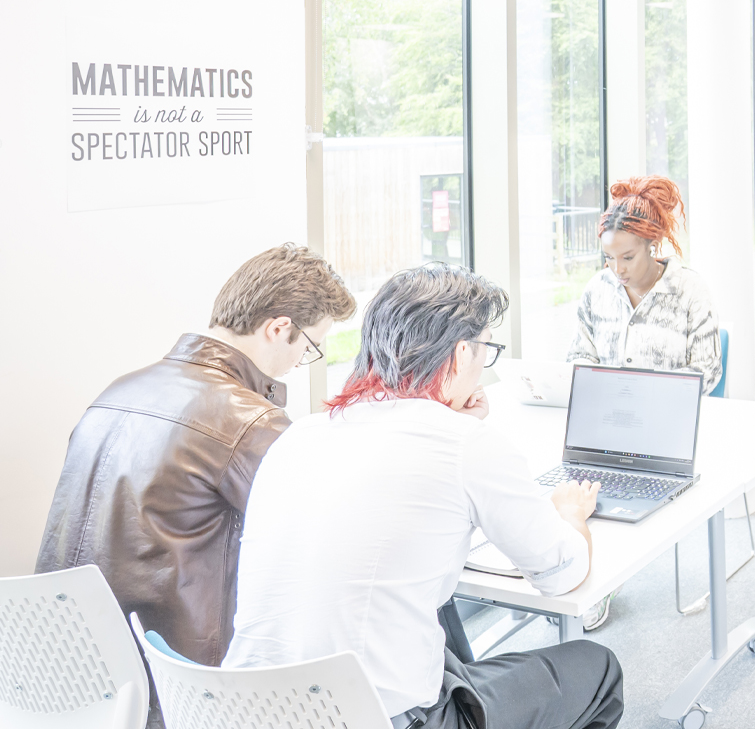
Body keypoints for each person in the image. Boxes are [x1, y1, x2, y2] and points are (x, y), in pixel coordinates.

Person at [224, 264, 621, 729]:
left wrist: (455, 427)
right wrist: (570, 515)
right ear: (461, 353)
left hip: (248, 713)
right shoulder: (464, 445)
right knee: (597, 667)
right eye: (486, 349)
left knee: (439, 639)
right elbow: (562, 575)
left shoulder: (298, 437)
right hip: (379, 720)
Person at [37, 242, 355, 727]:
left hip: (69, 670)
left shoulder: (118, 389)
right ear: (279, 328)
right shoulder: (250, 422)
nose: (301, 361)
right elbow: (322, 541)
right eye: (310, 346)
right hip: (176, 685)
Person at [570, 175, 722, 394]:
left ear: (653, 247)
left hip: (668, 409)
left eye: (628, 257)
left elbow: (708, 369)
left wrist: (650, 395)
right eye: (609, 257)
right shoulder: (597, 289)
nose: (617, 269)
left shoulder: (690, 289)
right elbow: (579, 356)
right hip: (607, 407)